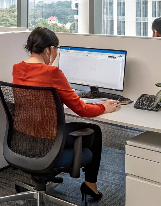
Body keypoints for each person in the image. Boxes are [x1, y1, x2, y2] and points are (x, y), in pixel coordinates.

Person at [13, 27, 121, 203]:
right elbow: (82, 109)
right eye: (56, 50)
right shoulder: (52, 73)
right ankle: (90, 185)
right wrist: (104, 107)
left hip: (23, 142)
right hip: (47, 145)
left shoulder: (18, 69)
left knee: (86, 133)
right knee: (94, 132)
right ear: (50, 49)